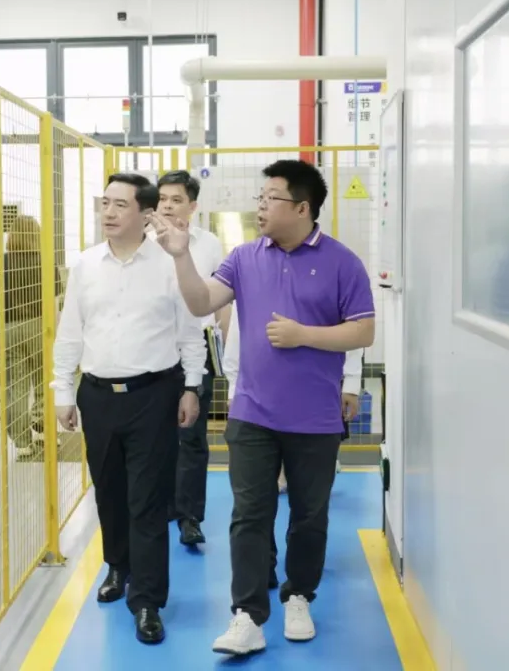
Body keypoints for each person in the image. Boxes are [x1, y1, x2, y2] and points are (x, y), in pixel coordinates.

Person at [150, 159, 375, 656]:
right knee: (249, 514)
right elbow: (201, 302)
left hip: (315, 419)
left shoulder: (343, 263)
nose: (260, 204)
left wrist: (304, 336)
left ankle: (299, 595)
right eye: (260, 196)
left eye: (270, 197)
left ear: (302, 207)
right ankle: (247, 615)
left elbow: (363, 330)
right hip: (251, 413)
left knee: (309, 515)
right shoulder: (245, 256)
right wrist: (181, 257)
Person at [51, 173, 206, 645]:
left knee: (147, 499)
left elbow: (188, 332)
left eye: (120, 205)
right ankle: (118, 567)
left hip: (153, 395)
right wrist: (62, 390)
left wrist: (192, 387)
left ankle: (148, 601)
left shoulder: (170, 264)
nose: (109, 212)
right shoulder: (84, 266)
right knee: (110, 492)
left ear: (145, 213)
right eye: (104, 203)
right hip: (97, 396)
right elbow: (70, 333)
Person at [222, 301, 364, 590]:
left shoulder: (335, 264)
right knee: (254, 502)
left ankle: (299, 591)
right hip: (257, 401)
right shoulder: (250, 262)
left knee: (310, 507)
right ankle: (261, 571)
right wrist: (233, 387)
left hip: (315, 398)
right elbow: (239, 330)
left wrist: (350, 381)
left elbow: (354, 326)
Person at [151, 170, 228, 547]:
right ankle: (162, 506)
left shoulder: (210, 244)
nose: (166, 205)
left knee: (192, 436)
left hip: (197, 349)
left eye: (176, 199)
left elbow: (221, 299)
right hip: (153, 351)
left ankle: (189, 517)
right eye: (162, 198)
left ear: (193, 206)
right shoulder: (142, 242)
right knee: (154, 437)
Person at [0, 215, 62, 458]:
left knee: (15, 386)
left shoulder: (1, 263)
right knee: (45, 381)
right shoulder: (44, 262)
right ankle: (43, 429)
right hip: (40, 327)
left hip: (9, 327)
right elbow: (54, 303)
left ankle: (22, 443)